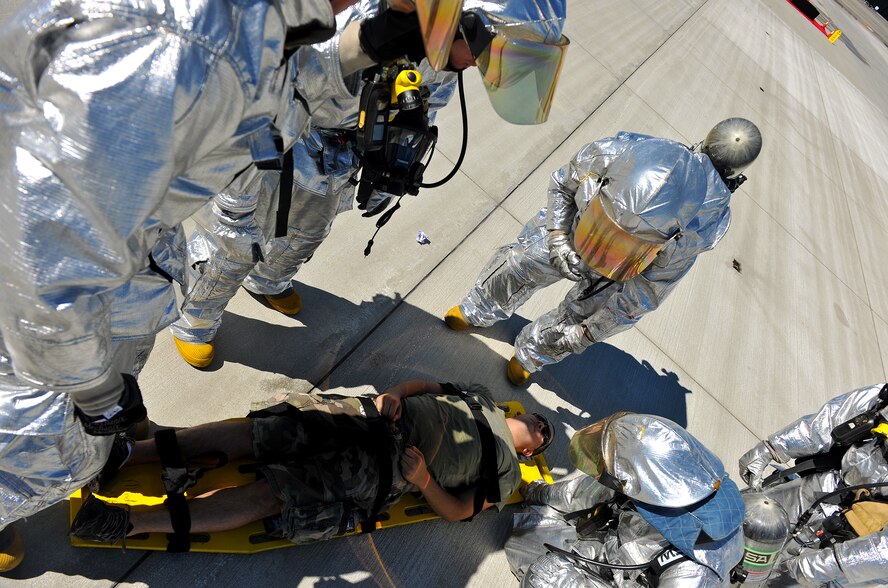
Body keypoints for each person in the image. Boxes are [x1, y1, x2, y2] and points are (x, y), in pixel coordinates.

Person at [0, 0, 349, 571]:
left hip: (114, 293)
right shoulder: (166, 46)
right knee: (28, 447)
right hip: (37, 334)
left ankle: (98, 442)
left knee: (88, 428)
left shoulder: (258, 22)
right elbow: (47, 273)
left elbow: (270, 100)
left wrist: (359, 53)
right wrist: (97, 397)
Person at [169, 0, 571, 368]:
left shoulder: (441, 52)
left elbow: (426, 103)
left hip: (343, 150)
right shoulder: (351, 28)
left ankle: (268, 279)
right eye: (488, 55)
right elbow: (261, 104)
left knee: (306, 233)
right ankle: (195, 317)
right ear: (460, 24)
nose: (481, 68)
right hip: (280, 140)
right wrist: (233, 207)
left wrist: (396, 162)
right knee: (237, 242)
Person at [444, 119, 763, 385]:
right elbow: (563, 183)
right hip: (574, 228)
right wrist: (556, 237)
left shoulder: (704, 223)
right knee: (522, 261)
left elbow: (646, 291)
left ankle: (531, 354)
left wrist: (585, 334)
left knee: (576, 317)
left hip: (616, 271)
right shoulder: (626, 150)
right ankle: (477, 308)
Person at [70, 381, 553, 546]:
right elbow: (424, 386)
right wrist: (394, 394)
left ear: (531, 451)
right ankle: (132, 452)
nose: (539, 421)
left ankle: (125, 523)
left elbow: (458, 512)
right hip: (370, 416)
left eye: (544, 431)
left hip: (385, 465)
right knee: (256, 431)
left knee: (273, 493)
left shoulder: (506, 474)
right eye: (541, 417)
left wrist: (423, 479)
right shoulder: (483, 398)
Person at [505, 412, 746, 587]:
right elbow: (581, 492)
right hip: (623, 548)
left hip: (636, 578)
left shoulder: (693, 576)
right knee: (540, 532)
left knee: (547, 576)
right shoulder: (662, 478)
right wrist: (534, 490)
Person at [738, 382, 888, 586]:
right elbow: (833, 419)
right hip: (821, 489)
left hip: (854, 548)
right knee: (739, 526)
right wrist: (772, 448)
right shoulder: (883, 396)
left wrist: (834, 563)